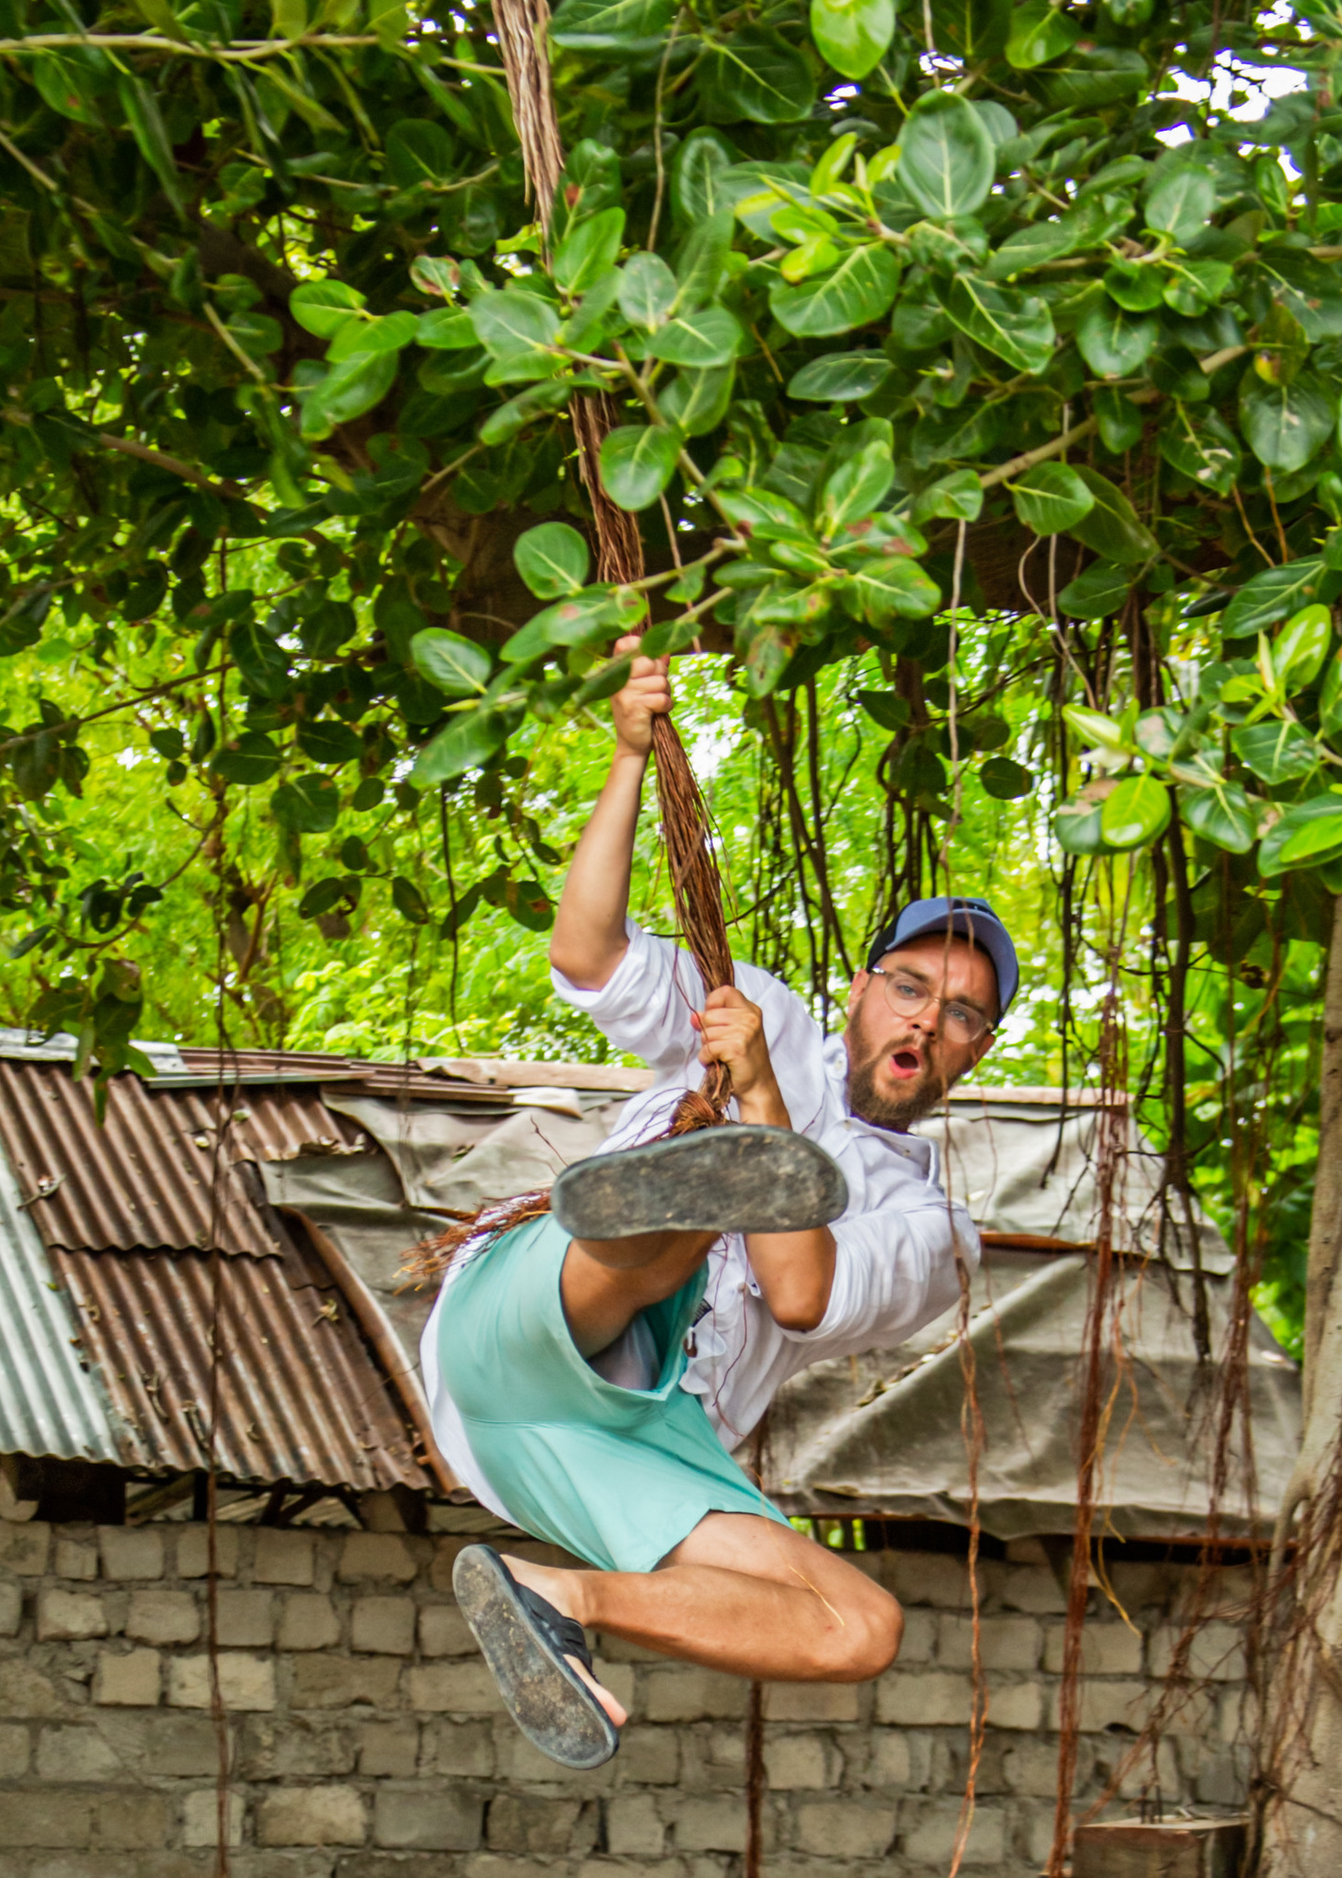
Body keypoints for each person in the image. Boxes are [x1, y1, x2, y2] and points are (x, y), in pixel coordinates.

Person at [422, 642, 1018, 1769]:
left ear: (977, 1051)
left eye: (960, 1017)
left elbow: (798, 1293)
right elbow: (585, 951)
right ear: (864, 986)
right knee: (688, 1218)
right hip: (525, 1323)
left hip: (621, 1438)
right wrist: (627, 759)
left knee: (859, 1627)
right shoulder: (769, 1010)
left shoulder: (933, 1233)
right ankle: (663, 1206)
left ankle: (557, 1596)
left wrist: (754, 1091)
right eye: (909, 988)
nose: (923, 1025)